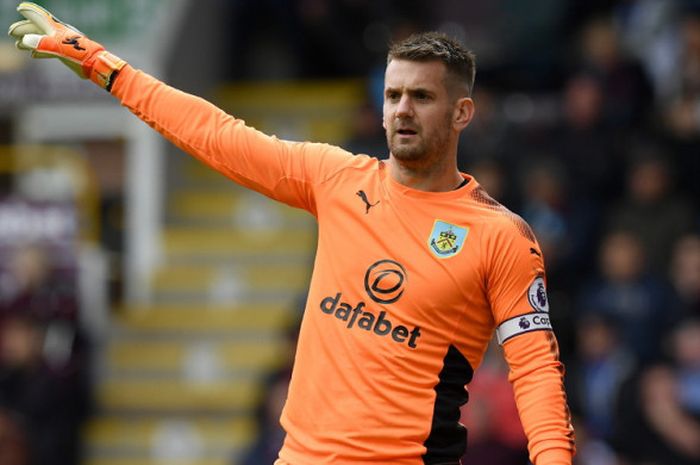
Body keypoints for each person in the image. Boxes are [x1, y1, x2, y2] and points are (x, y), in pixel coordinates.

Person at [8, 3, 575, 464]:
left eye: (422, 97)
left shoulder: (499, 236)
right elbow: (214, 133)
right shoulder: (337, 179)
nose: (403, 109)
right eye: (392, 95)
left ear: (462, 113)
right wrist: (102, 65)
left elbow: (536, 372)